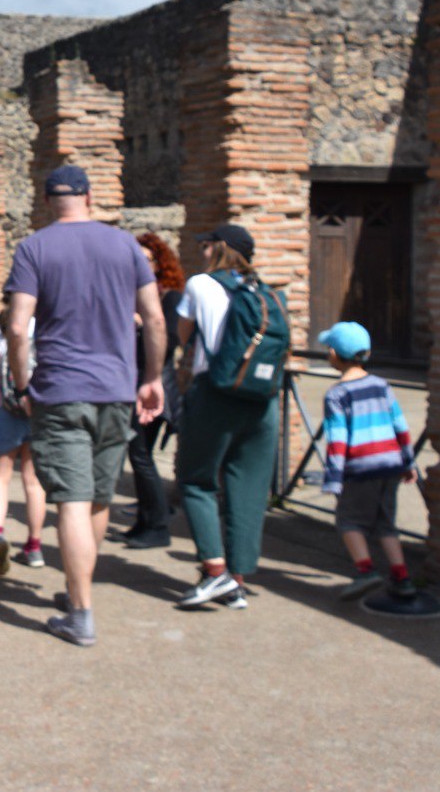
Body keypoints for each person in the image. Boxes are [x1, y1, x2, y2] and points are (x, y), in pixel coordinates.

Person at [5, 165, 165, 647]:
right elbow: (154, 319)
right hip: (116, 388)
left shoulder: (34, 247)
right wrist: (152, 378)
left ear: (48, 200)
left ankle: (80, 611)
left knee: (71, 501)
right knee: (98, 497)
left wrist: (20, 384)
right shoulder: (126, 246)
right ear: (89, 198)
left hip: (60, 389)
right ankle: (81, 594)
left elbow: (16, 328)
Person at [174, 223, 281, 611]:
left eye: (205, 244)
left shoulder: (202, 285)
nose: (201, 250)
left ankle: (215, 570)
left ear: (220, 248)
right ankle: (237, 578)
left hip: (216, 393)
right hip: (263, 398)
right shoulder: (265, 290)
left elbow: (183, 336)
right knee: (249, 487)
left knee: (195, 479)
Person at [318, 321, 418, 601]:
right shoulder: (381, 385)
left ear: (335, 355)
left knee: (348, 520)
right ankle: (403, 578)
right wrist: (408, 463)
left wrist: (333, 479)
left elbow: (337, 441)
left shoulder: (337, 394)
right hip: (390, 464)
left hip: (360, 468)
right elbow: (401, 426)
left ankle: (366, 571)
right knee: (386, 523)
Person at [117, 232, 186, 549]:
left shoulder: (170, 297)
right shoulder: (131, 294)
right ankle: (145, 521)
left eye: (147, 260)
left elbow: (171, 341)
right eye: (137, 259)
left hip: (156, 385)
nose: (141, 265)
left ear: (160, 263)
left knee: (141, 454)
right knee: (137, 452)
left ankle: (158, 524)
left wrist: (142, 322)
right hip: (132, 382)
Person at [0, 293, 46, 575]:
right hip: (37, 410)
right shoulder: (42, 326)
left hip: (4, 409)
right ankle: (34, 546)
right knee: (33, 481)